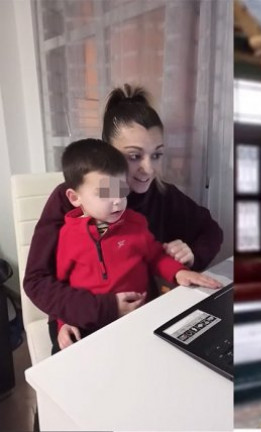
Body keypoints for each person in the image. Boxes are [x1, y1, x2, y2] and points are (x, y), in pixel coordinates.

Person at [23, 84, 224, 353]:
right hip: (78, 318)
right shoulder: (68, 199)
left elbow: (210, 230)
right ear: (107, 151)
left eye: (156, 155)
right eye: (133, 156)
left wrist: (192, 256)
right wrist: (69, 317)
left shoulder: (161, 194)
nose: (148, 169)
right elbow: (38, 279)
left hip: (140, 314)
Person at [55, 139, 220, 350]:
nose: (117, 201)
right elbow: (60, 287)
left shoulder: (135, 223)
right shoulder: (68, 235)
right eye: (104, 192)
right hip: (93, 325)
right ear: (75, 197)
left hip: (143, 315)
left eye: (120, 190)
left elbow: (155, 256)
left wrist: (178, 272)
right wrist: (63, 321)